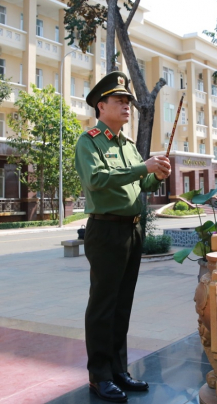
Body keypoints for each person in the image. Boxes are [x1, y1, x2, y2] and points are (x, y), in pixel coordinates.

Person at [75, 71, 171, 403]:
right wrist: (144, 168)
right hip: (105, 230)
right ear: (101, 106)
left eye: (128, 101)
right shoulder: (89, 141)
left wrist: (157, 175)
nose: (127, 105)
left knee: (122, 304)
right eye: (120, 100)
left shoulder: (128, 146)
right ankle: (99, 376)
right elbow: (98, 179)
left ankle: (118, 370)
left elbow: (142, 184)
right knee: (103, 305)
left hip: (132, 228)